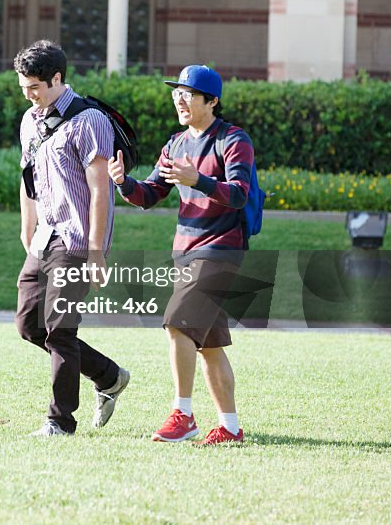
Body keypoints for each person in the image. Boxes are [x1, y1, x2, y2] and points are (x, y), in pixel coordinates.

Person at [109, 64, 255, 446]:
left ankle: (183, 415)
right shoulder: (175, 144)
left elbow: (239, 193)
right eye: (177, 92)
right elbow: (150, 195)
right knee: (208, 345)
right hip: (185, 252)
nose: (180, 98)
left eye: (188, 93)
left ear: (212, 100)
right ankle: (230, 427)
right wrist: (124, 182)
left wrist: (200, 181)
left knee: (177, 324)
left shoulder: (233, 139)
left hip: (222, 248)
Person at [14, 40, 129, 437]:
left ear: (57, 78)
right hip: (44, 236)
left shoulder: (89, 120)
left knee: (60, 330)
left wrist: (96, 252)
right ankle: (108, 375)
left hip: (77, 240)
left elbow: (101, 190)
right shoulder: (31, 120)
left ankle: (59, 422)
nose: (29, 95)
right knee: (30, 325)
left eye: (35, 87)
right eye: (23, 86)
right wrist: (26, 226)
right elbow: (27, 177)